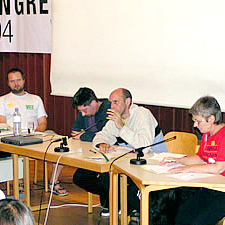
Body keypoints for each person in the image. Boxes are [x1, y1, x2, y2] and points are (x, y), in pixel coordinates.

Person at [92, 88, 167, 217]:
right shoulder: (115, 119)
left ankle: (133, 208)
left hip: (153, 163)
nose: (112, 106)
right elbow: (101, 135)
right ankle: (116, 204)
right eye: (110, 103)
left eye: (116, 102)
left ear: (128, 102)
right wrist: (102, 143)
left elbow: (144, 147)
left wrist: (121, 126)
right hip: (129, 163)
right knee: (100, 176)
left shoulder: (143, 114)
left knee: (128, 185)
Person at [0, 68, 68, 197]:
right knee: (16, 148)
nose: (16, 84)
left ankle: (53, 182)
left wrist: (37, 133)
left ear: (24, 80)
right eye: (12, 81)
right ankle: (19, 183)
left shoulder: (35, 99)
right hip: (13, 136)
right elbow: (2, 124)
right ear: (8, 83)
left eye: (18, 80)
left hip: (35, 135)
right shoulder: (3, 100)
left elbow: (42, 122)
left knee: (61, 144)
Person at [160, 96, 225, 225]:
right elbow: (200, 158)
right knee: (180, 216)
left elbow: (219, 167)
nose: (195, 125)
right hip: (209, 187)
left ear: (211, 119)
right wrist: (177, 161)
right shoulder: (207, 134)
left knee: (196, 222)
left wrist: (188, 168)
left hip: (222, 192)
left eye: (198, 121)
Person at [71, 87, 111, 216]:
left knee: (105, 176)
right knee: (78, 178)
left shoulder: (109, 108)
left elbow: (108, 137)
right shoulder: (85, 111)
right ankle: (112, 195)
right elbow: (75, 132)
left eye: (84, 110)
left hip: (110, 154)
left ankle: (111, 203)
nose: (82, 114)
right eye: (80, 111)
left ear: (93, 103)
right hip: (91, 154)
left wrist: (85, 135)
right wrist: (95, 135)